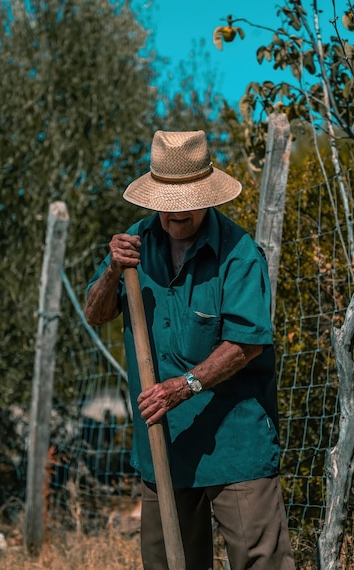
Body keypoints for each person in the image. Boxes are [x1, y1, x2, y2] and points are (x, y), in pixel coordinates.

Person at [84, 130, 296, 570]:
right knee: (167, 564)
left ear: (206, 195)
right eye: (166, 203)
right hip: (163, 442)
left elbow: (246, 344)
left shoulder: (238, 254)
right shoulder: (135, 246)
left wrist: (182, 387)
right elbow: (95, 314)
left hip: (234, 443)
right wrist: (111, 271)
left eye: (185, 203)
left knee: (261, 562)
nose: (174, 214)